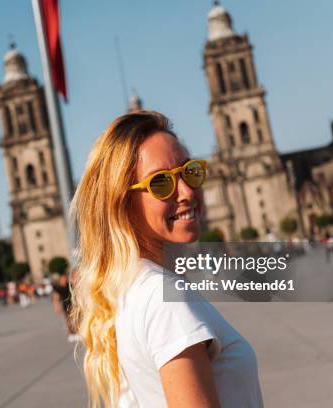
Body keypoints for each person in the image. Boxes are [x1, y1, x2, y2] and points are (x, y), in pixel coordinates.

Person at [70, 111, 263, 407]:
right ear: (123, 203)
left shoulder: (132, 290)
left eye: (190, 171)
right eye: (161, 183)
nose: (186, 191)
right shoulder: (166, 302)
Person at [52, 273, 79, 342]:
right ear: (60, 280)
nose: (64, 280)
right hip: (65, 305)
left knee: (75, 319)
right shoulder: (59, 288)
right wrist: (56, 307)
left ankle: (76, 333)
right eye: (63, 279)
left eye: (65, 279)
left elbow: (75, 293)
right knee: (68, 321)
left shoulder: (69, 285)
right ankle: (70, 334)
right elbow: (56, 298)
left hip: (72, 304)